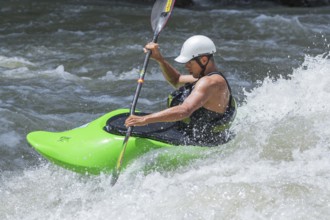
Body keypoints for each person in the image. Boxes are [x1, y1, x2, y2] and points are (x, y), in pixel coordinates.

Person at [124, 35, 237, 146]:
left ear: (203, 60)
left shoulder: (209, 83)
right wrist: (160, 59)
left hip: (202, 141)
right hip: (190, 133)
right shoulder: (206, 78)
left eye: (189, 62)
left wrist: (145, 119)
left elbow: (184, 110)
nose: (186, 66)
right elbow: (176, 80)